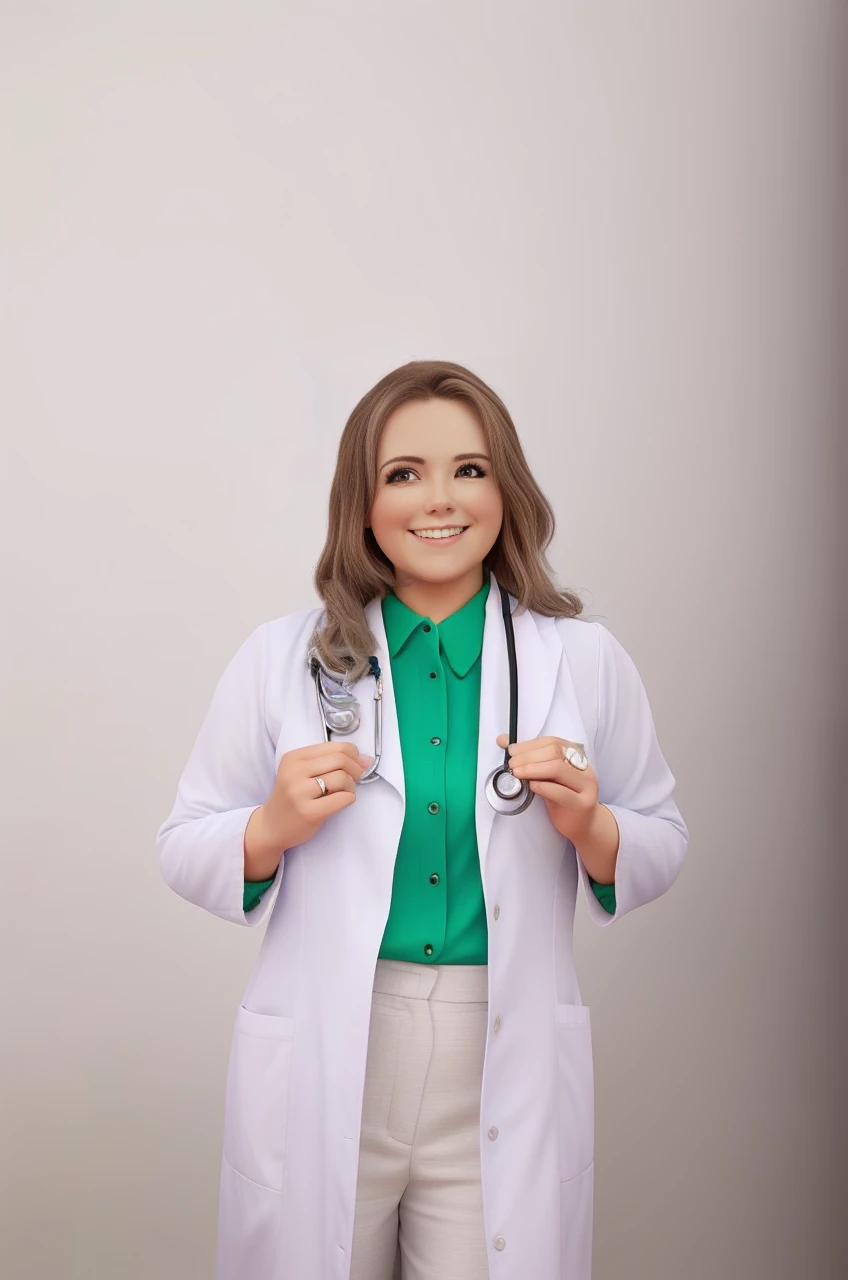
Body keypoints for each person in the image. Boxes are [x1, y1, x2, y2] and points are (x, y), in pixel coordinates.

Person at [156, 358, 689, 1280]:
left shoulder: (584, 661)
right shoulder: (281, 660)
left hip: (498, 1050)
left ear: (506, 490)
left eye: (470, 470)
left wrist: (594, 829)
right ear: (362, 503)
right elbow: (182, 842)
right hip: (336, 1048)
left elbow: (663, 837)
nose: (439, 499)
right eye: (403, 473)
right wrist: (270, 828)